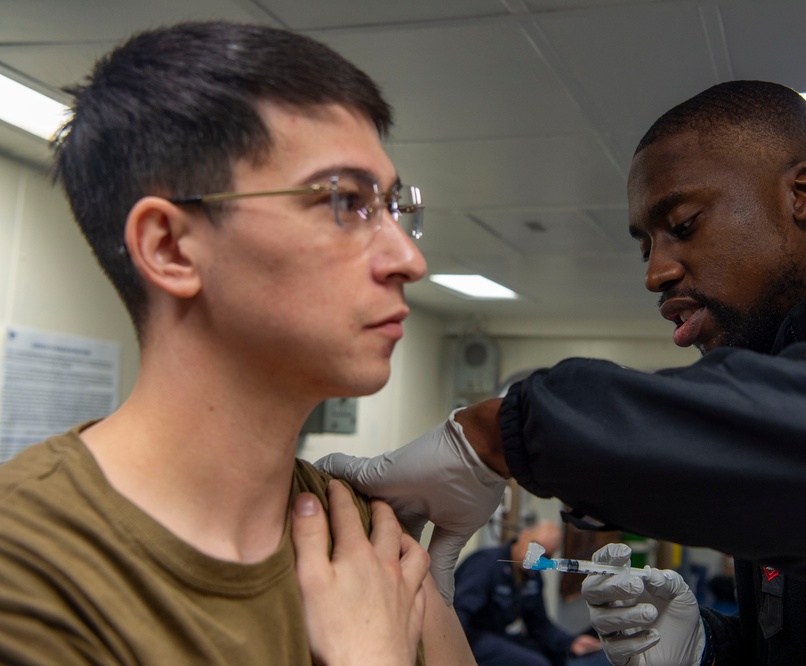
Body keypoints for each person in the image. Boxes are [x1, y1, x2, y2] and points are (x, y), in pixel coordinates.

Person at [318, 80, 806, 664]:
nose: (656, 272)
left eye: (683, 225)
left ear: (803, 192)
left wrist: (504, 431)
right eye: (647, 244)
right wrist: (706, 649)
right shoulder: (770, 383)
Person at [0, 21, 475, 665]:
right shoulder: (30, 566)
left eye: (394, 207)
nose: (407, 260)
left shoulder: (361, 535)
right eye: (344, 201)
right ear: (170, 247)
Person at [453, 521, 608, 666]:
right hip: (468, 636)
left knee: (556, 656)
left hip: (498, 635)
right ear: (523, 535)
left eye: (546, 556)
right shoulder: (486, 564)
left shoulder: (533, 576)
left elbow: (539, 623)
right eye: (536, 547)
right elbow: (459, 614)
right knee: (535, 663)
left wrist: (570, 642)